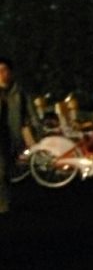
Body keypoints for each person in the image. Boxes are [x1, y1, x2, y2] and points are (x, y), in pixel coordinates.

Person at [0, 56, 40, 213]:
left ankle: (5, 201)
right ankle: (3, 206)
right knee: (1, 170)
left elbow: (32, 114)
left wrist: (39, 134)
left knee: (6, 171)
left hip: (11, 137)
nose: (2, 74)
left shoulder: (20, 93)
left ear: (10, 72)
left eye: (4, 70)